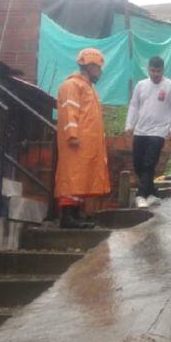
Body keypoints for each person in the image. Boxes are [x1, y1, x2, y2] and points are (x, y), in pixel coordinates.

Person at [55, 48, 111, 229]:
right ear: (90, 66)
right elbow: (68, 112)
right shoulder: (72, 85)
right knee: (72, 178)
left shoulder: (87, 87)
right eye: (99, 68)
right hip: (77, 142)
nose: (100, 72)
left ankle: (75, 215)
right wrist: (72, 135)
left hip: (86, 143)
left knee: (81, 179)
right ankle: (68, 217)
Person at [126, 56, 171, 208]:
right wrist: (129, 125)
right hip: (140, 130)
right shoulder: (141, 85)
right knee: (138, 164)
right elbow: (134, 106)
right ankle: (152, 193)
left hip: (159, 131)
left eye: (158, 71)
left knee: (149, 163)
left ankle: (140, 195)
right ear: (148, 69)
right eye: (152, 70)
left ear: (163, 70)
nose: (155, 74)